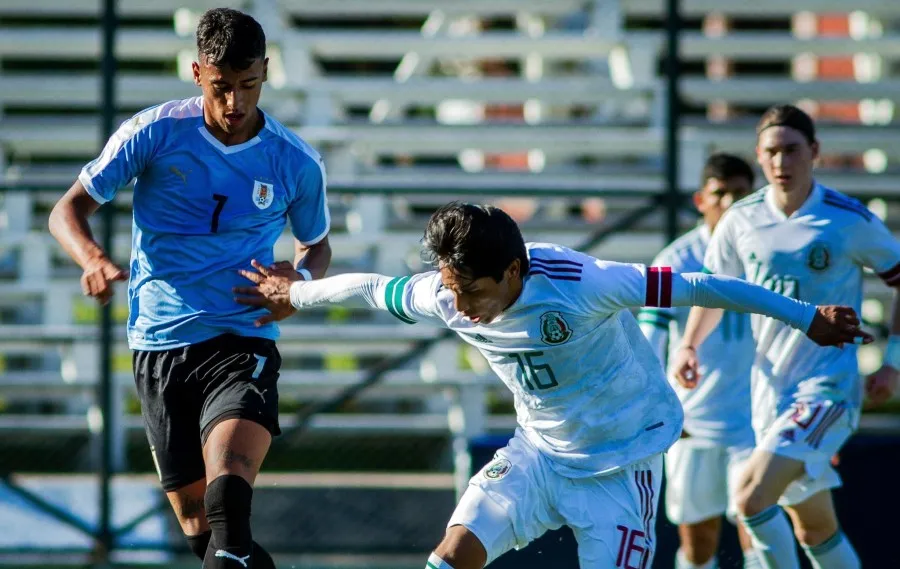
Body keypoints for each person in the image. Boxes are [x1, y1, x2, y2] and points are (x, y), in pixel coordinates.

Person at [233, 202, 868, 569]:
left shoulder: (584, 283)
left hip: (621, 465)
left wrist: (805, 317)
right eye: (452, 289)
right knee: (452, 556)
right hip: (536, 455)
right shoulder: (448, 294)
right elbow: (372, 288)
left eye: (473, 292)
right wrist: (295, 293)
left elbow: (699, 285)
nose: (461, 307)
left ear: (513, 271)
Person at [48, 8, 331, 568]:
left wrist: (298, 284)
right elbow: (67, 211)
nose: (235, 102)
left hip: (241, 339)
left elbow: (316, 246)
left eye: (248, 84)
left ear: (266, 71)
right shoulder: (155, 132)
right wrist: (93, 258)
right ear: (198, 72)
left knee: (228, 499)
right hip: (158, 344)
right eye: (221, 86)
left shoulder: (295, 161)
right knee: (205, 535)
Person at [672, 104, 900, 569]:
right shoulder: (741, 219)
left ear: (814, 151)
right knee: (815, 528)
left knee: (750, 497)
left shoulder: (846, 218)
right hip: (768, 394)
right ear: (759, 156)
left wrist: (893, 361)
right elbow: (714, 292)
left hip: (826, 391)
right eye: (771, 152)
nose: (781, 162)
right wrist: (689, 345)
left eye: (792, 150)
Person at [638, 153, 759, 569]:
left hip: (757, 420)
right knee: (699, 542)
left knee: (758, 530)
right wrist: (662, 410)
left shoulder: (771, 254)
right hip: (694, 421)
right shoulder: (674, 261)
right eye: (719, 193)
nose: (729, 202)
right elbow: (649, 344)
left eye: (740, 193)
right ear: (700, 200)